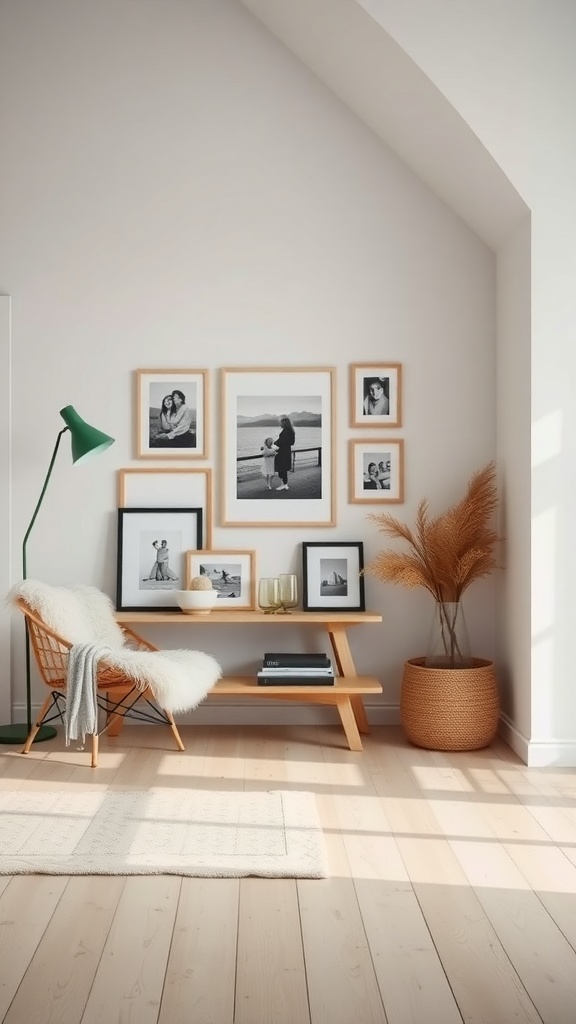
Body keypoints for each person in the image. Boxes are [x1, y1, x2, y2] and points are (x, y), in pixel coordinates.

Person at [274, 415, 295, 491]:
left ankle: (283, 485)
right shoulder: (291, 431)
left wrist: (275, 444)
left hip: (282, 452)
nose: (280, 424)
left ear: (284, 423)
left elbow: (280, 441)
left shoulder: (285, 431)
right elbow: (292, 442)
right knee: (284, 468)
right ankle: (285, 484)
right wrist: (278, 442)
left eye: (281, 423)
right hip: (287, 451)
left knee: (281, 468)